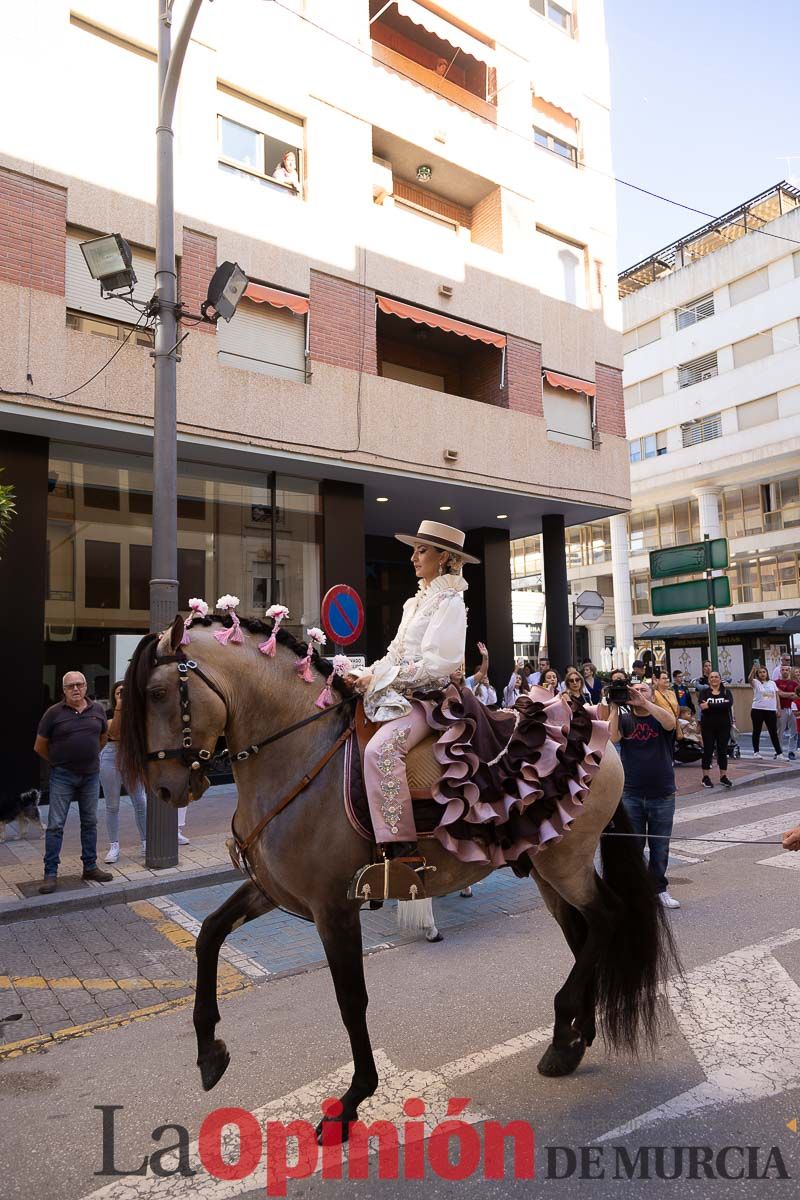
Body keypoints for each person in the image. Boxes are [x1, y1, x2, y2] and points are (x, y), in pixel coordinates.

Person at [350, 519, 477, 860]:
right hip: (401, 695)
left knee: (381, 751)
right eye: (414, 551)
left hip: (430, 702)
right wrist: (361, 673)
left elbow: (440, 665)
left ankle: (401, 849)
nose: (413, 558)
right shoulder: (414, 602)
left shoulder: (449, 600)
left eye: (422, 551)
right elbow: (394, 654)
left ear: (446, 558)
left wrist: (381, 679)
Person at [34, 672, 114, 894]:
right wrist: (59, 762)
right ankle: (50, 873)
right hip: (63, 776)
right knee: (56, 825)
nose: (76, 689)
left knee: (90, 822)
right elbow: (40, 746)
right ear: (64, 690)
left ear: (86, 687)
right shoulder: (53, 714)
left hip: (90, 775)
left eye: (79, 685)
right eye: (71, 686)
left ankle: (90, 867)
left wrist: (88, 757)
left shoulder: (97, 710)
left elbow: (103, 738)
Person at [608, 681, 680, 909]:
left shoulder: (659, 716)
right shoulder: (626, 719)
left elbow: (671, 723)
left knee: (660, 847)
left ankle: (659, 889)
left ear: (652, 694)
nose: (637, 693)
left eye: (643, 690)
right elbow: (612, 738)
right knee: (633, 846)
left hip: (662, 792)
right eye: (634, 690)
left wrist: (645, 703)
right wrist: (614, 706)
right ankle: (635, 891)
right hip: (631, 792)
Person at [100, 681, 148, 862]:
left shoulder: (137, 713)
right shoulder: (109, 713)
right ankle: (114, 846)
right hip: (111, 756)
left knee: (140, 801)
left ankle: (146, 841)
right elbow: (114, 733)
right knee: (112, 806)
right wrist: (120, 706)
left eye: (126, 693)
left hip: (131, 757)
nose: (123, 695)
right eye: (119, 692)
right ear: (114, 695)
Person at [698, 670, 735, 788]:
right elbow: (702, 706)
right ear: (709, 680)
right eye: (712, 677)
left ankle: (723, 776)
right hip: (708, 726)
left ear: (720, 679)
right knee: (708, 750)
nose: (714, 679)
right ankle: (706, 777)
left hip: (724, 726)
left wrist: (710, 706)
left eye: (716, 677)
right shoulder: (704, 692)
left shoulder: (726, 692)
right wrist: (720, 706)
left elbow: (728, 705)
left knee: (722, 751)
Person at [748, 664, 782, 759]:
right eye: (760, 672)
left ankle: (779, 753)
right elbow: (750, 679)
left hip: (770, 710)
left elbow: (776, 696)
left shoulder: (772, 683)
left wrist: (778, 708)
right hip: (758, 709)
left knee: (773, 732)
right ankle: (756, 752)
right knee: (757, 731)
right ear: (757, 674)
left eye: (764, 672)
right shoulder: (755, 682)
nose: (762, 674)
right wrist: (753, 670)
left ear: (767, 673)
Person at [775, 664, 800, 760]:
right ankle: (779, 751)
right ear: (780, 671)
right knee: (780, 731)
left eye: (786, 670)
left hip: (793, 708)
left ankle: (791, 751)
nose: (785, 671)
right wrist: (791, 694)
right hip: (782, 708)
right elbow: (779, 694)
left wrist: (785, 694)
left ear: (789, 671)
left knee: (794, 731)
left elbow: (797, 695)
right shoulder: (776, 682)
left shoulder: (794, 683)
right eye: (783, 670)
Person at [465, 642, 497, 706]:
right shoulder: (471, 684)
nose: (484, 676)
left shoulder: (488, 687)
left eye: (486, 674)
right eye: (483, 674)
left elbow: (493, 701)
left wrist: (488, 687)